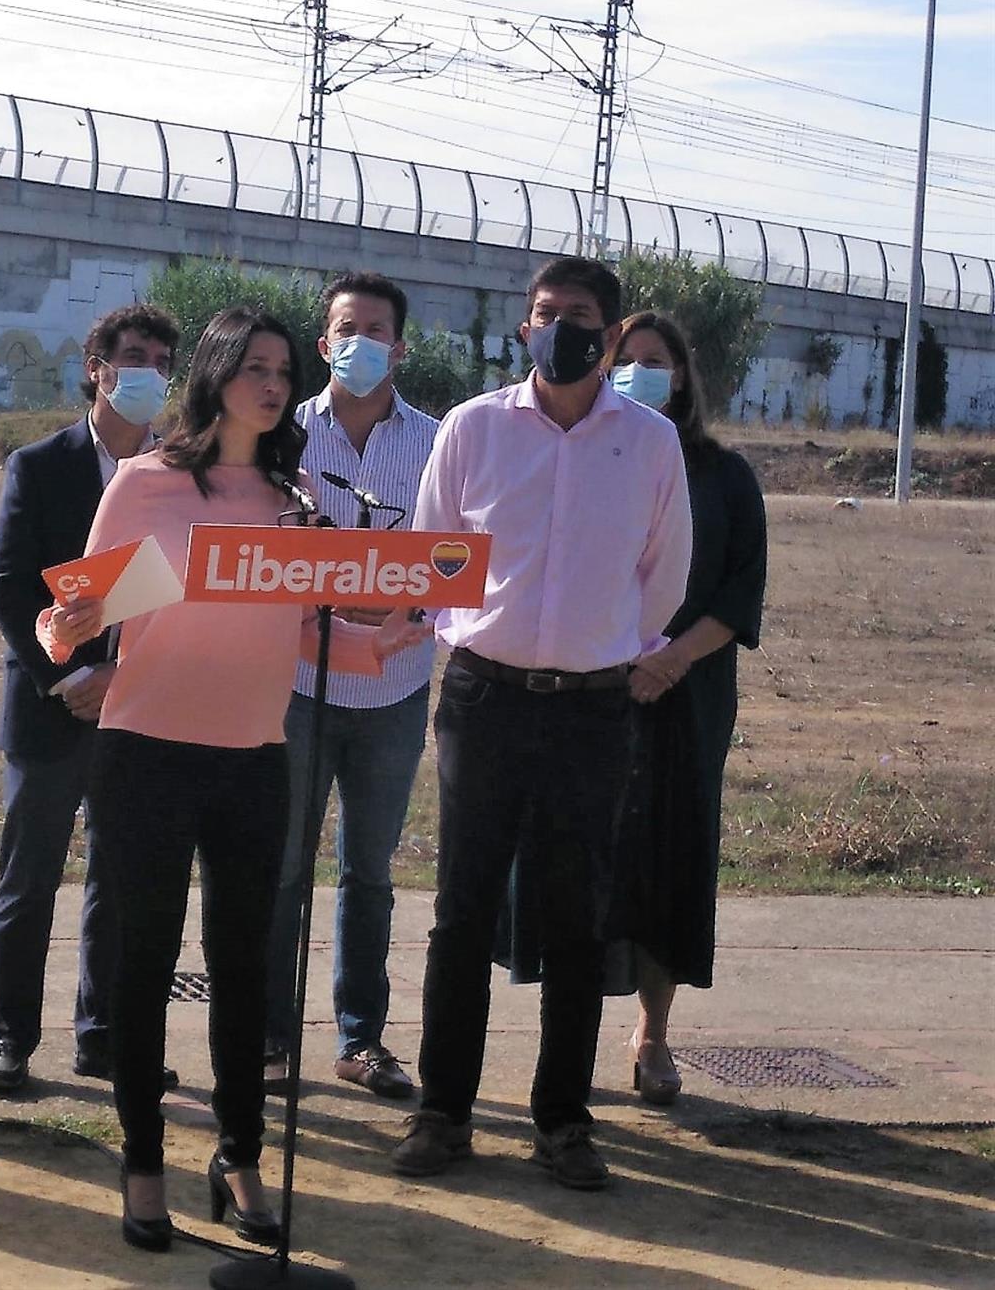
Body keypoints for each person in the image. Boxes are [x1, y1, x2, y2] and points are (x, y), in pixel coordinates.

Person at [37, 308, 429, 1253]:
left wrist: (373, 641)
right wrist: (74, 627)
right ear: (215, 375)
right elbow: (76, 613)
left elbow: (298, 632)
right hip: (146, 752)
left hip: (255, 755)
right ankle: (140, 1158)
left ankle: (240, 1155)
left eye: (284, 372)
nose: (272, 384)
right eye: (255, 367)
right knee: (144, 960)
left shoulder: (293, 502)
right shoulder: (144, 482)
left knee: (247, 967)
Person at [397, 256, 691, 1191]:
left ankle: (563, 1120)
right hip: (484, 699)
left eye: (578, 316)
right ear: (524, 326)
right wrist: (474, 638)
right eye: (543, 313)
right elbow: (434, 550)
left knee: (575, 917)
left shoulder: (648, 443)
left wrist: (609, 645)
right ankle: (444, 1112)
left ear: (609, 336)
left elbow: (665, 571)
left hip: (593, 709)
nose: (557, 326)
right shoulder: (474, 427)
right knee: (463, 909)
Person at [500, 311, 767, 1106]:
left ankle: (653, 1033)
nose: (640, 373)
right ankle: (567, 1044)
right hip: (595, 689)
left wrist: (673, 659)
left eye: (658, 361)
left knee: (669, 861)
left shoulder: (723, 475)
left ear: (682, 376)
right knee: (582, 859)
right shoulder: (588, 455)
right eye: (628, 359)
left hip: (685, 697)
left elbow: (738, 590)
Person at [0, 304, 181, 1095]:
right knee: (29, 883)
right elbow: (7, 587)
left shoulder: (176, 473)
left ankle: (105, 1037)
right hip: (51, 706)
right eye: (133, 355)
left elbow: (182, 589)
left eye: (162, 359)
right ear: (95, 367)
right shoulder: (40, 464)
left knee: (123, 884)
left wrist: (125, 676)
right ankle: (9, 1040)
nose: (148, 371)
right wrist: (66, 677)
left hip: (141, 708)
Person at [264, 271, 440, 1101]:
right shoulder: (283, 436)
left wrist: (384, 608)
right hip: (296, 685)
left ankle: (361, 1039)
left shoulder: (439, 443)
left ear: (401, 347)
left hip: (395, 694)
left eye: (378, 329)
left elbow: (452, 559)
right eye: (346, 328)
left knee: (368, 874)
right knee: (282, 867)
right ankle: (267, 1037)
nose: (361, 342)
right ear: (323, 340)